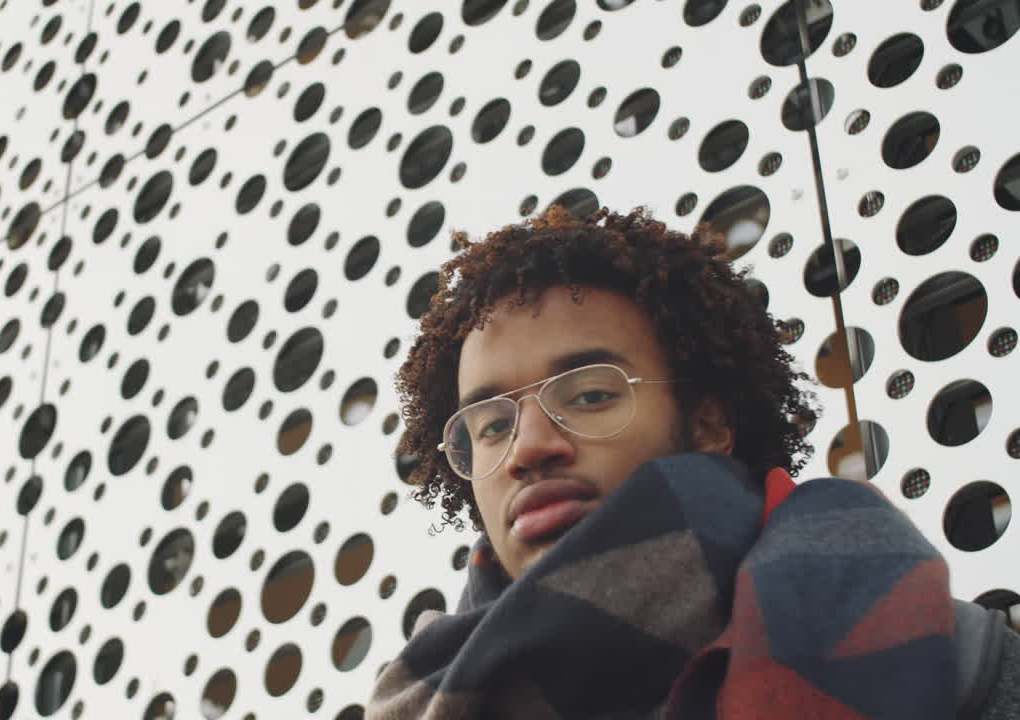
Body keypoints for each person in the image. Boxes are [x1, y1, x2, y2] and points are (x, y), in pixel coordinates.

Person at [366, 206, 1019, 719]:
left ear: (707, 424)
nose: (527, 448)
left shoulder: (960, 670)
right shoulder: (423, 698)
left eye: (590, 395)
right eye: (491, 426)